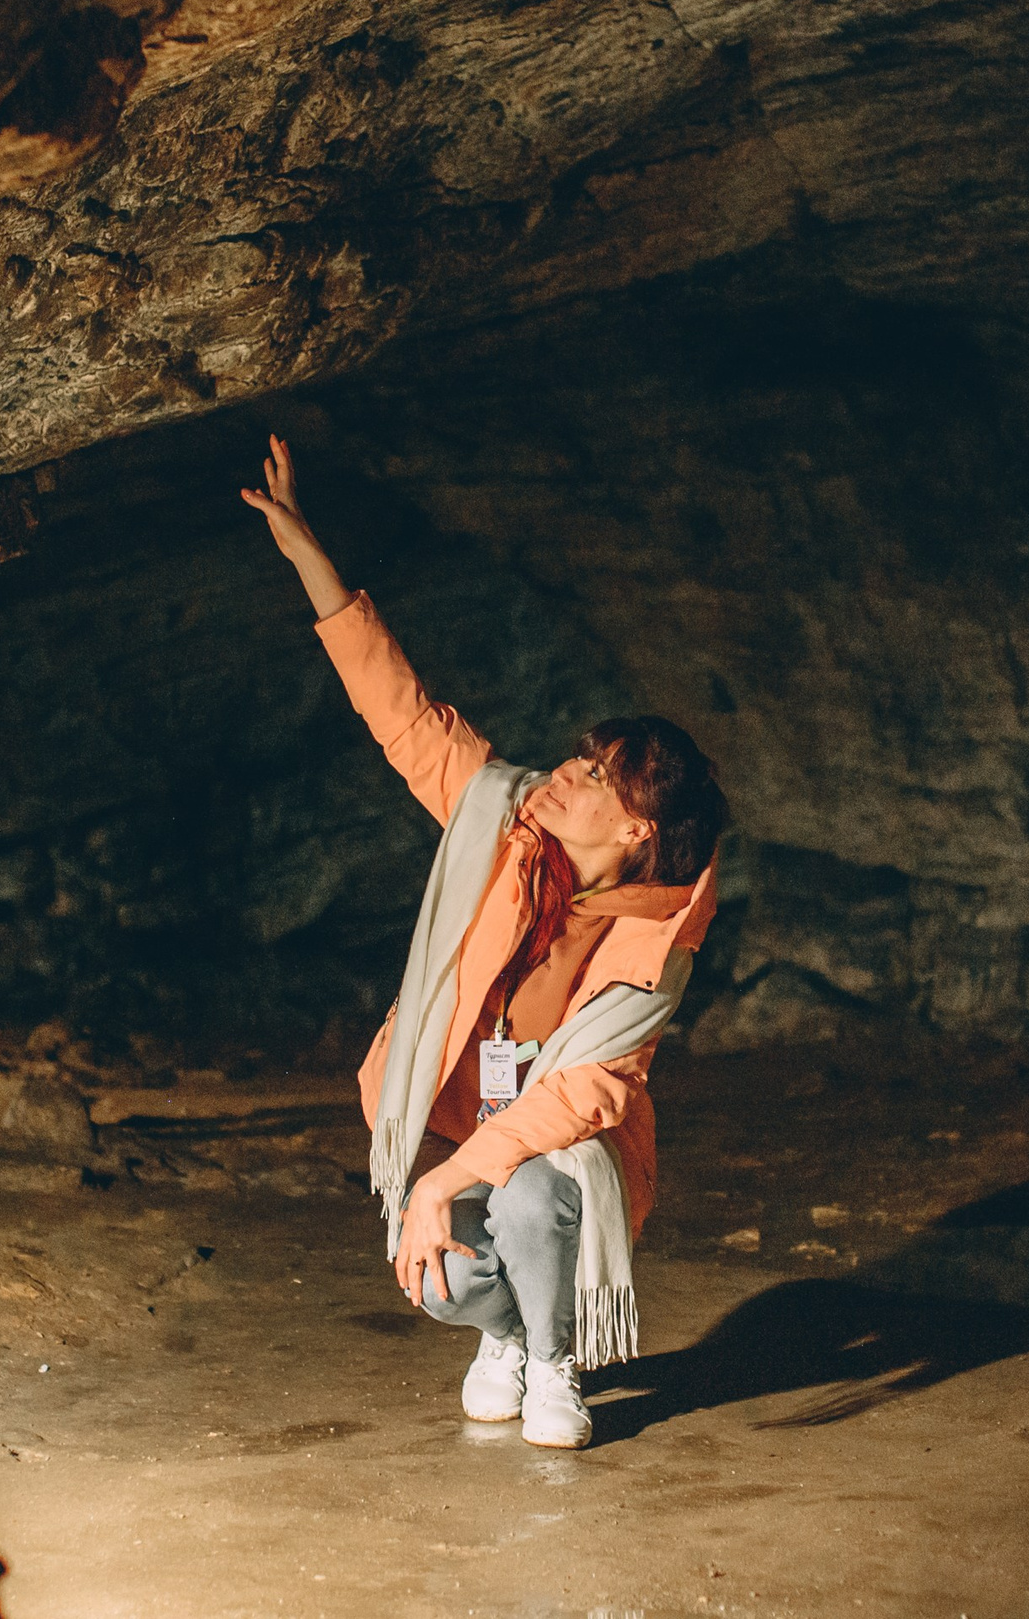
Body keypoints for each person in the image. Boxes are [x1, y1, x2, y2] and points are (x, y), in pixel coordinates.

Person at [243, 433, 728, 1449]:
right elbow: (402, 714)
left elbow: (579, 1096)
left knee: (530, 1195)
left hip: (563, 1157)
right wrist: (305, 554)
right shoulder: (505, 821)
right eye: (580, 756)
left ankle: (553, 1367)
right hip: (460, 1128)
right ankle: (502, 1333)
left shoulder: (655, 941)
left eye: (599, 777)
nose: (566, 773)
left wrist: (442, 1183)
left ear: (640, 829)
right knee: (440, 1277)